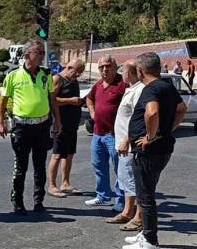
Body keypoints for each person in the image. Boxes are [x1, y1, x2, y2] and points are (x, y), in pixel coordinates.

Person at [122, 52, 186, 249]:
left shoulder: (150, 90)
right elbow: (181, 108)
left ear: (141, 71)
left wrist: (150, 136)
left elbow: (152, 112)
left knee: (145, 196)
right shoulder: (167, 86)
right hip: (162, 147)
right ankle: (146, 233)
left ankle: (150, 241)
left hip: (148, 151)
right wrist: (166, 130)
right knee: (147, 192)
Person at [0, 40, 62, 215]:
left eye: (42, 52)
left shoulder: (46, 74)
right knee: (21, 167)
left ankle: (38, 201)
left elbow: (52, 99)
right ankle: (17, 201)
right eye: (38, 52)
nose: (42, 56)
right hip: (22, 128)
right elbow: (3, 101)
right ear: (27, 56)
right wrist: (0, 122)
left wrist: (58, 120)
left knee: (40, 166)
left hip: (42, 126)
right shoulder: (12, 76)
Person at [106, 59, 144, 231]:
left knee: (132, 181)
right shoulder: (131, 89)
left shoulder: (139, 91)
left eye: (124, 70)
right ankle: (128, 212)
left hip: (128, 145)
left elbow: (138, 120)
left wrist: (127, 140)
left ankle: (137, 216)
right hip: (122, 144)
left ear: (133, 72)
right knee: (124, 179)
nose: (121, 73)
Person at [85, 55, 127, 211]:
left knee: (120, 169)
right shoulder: (98, 85)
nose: (104, 69)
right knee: (99, 166)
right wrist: (92, 112)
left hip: (115, 135)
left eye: (108, 66)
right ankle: (102, 196)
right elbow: (89, 99)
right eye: (101, 67)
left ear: (115, 66)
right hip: (98, 134)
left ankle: (121, 201)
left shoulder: (123, 84)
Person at [47, 59, 85, 198]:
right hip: (60, 123)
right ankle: (51, 185)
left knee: (69, 154)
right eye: (76, 72)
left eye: (79, 74)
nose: (77, 76)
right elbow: (51, 100)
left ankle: (65, 183)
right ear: (69, 67)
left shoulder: (73, 80)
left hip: (72, 124)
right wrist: (70, 101)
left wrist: (79, 101)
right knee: (57, 155)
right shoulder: (57, 79)